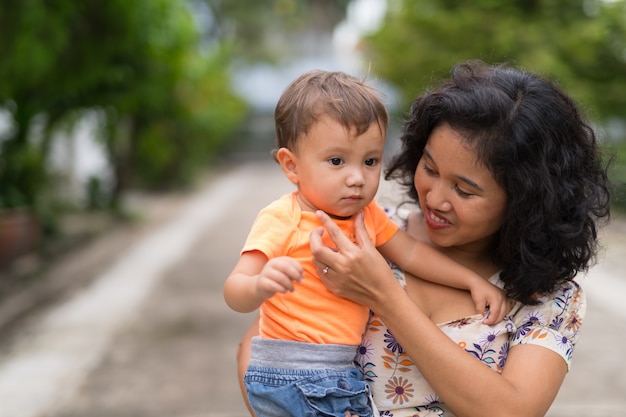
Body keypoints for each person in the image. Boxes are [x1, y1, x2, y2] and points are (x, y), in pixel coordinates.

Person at [237, 61, 612, 417]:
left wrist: (384, 296)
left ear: (526, 203)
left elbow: (509, 410)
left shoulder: (549, 299)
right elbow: (262, 348)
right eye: (429, 168)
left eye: (464, 191)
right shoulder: (363, 233)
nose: (433, 198)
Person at [224, 69, 508, 417]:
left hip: (338, 374)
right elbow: (234, 291)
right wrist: (259, 285)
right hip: (293, 374)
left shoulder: (367, 215)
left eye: (370, 161)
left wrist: (471, 281)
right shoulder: (284, 217)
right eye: (337, 161)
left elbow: (413, 253)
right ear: (291, 166)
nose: (357, 178)